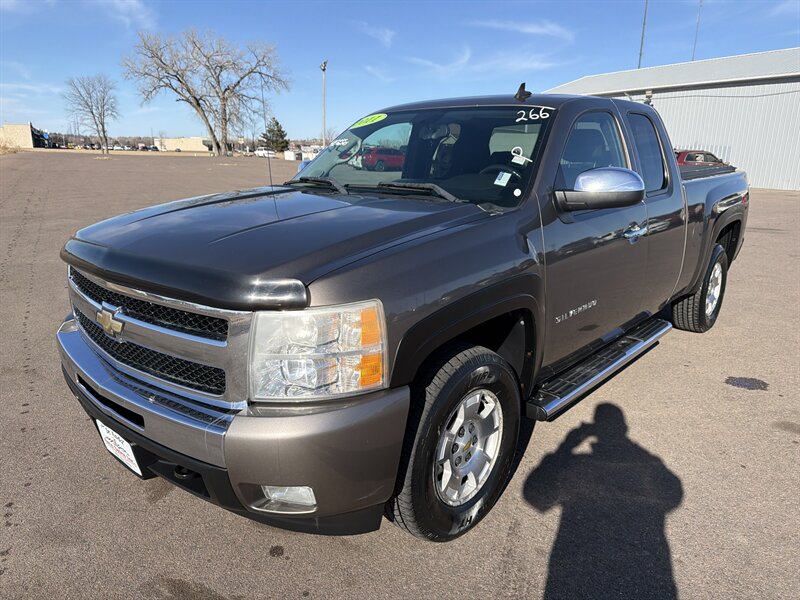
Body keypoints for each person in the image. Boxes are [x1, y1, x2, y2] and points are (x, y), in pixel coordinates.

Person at [525, 403, 683, 600]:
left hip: (576, 572)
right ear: (624, 429)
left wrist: (566, 447)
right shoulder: (649, 467)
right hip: (647, 569)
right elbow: (673, 493)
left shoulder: (578, 465)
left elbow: (535, 496)